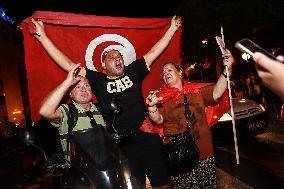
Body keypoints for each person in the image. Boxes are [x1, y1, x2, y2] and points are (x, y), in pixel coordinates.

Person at [32, 16, 181, 189]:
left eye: (119, 56)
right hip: (122, 145)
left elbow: (155, 51)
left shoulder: (133, 71)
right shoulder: (97, 80)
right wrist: (42, 36)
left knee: (162, 184)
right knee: (134, 185)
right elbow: (68, 65)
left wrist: (171, 29)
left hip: (147, 136)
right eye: (112, 57)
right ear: (103, 65)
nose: (118, 59)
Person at [145, 50, 233, 188]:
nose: (166, 73)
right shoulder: (161, 97)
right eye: (163, 73)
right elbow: (157, 119)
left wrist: (227, 70)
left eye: (169, 70)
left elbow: (216, 92)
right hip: (180, 157)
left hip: (205, 152)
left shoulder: (196, 91)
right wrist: (151, 106)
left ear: (180, 73)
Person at [39, 64, 106, 160]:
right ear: (70, 94)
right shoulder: (67, 111)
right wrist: (67, 83)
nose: (84, 89)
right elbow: (45, 111)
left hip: (105, 169)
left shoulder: (100, 110)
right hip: (80, 171)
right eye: (78, 87)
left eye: (87, 85)